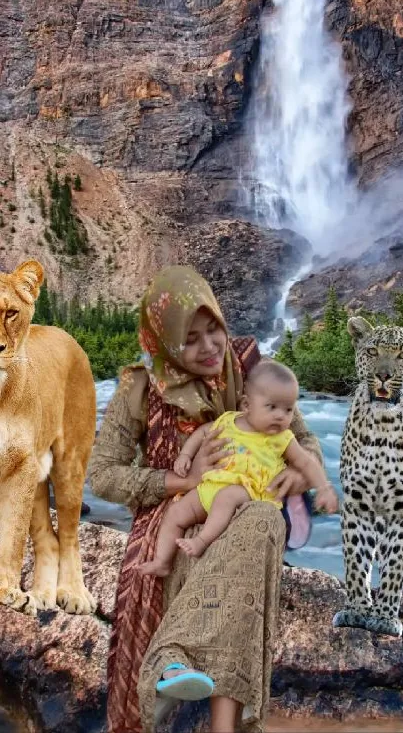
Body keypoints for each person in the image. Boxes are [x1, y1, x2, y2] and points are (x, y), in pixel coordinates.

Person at [89, 265, 324, 733]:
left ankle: (176, 661)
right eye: (190, 337)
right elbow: (102, 475)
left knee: (261, 519)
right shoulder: (138, 386)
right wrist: (181, 480)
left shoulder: (251, 368)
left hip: (243, 505)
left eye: (213, 327)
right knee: (230, 538)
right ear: (165, 340)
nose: (210, 346)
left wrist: (298, 478)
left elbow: (306, 443)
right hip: (174, 515)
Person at [138, 360, 337, 576]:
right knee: (175, 512)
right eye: (272, 407)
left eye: (288, 409)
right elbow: (203, 432)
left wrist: (324, 487)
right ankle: (162, 561)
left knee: (227, 497)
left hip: (249, 493)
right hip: (211, 485)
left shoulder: (283, 438)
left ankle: (202, 540)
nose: (281, 416)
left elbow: (306, 461)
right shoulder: (228, 421)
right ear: (246, 405)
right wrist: (185, 455)